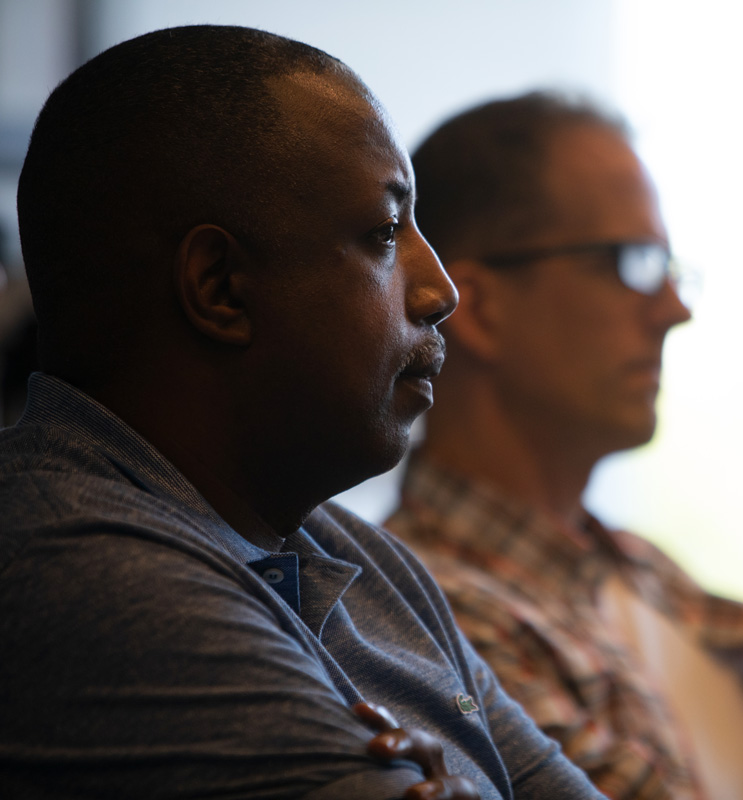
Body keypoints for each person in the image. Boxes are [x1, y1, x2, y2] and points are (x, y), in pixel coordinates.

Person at [0, 25, 605, 800]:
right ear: (220, 288)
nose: (440, 290)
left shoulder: (371, 569)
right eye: (387, 233)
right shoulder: (73, 567)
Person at [384, 91, 743, 800]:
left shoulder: (663, 585)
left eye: (670, 269)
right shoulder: (413, 618)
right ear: (476, 306)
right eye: (632, 261)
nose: (676, 309)